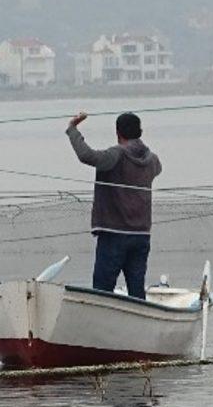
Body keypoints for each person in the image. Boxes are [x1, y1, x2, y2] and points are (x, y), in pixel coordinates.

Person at [66, 111, 162, 299]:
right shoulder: (153, 159)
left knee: (102, 292)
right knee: (136, 291)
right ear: (140, 131)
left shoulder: (116, 155)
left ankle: (102, 326)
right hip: (141, 235)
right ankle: (138, 324)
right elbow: (158, 170)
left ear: (118, 133)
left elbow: (87, 156)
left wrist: (72, 129)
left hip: (114, 234)